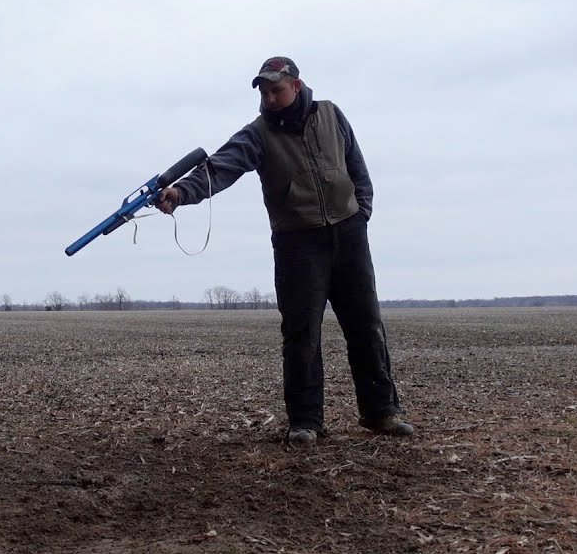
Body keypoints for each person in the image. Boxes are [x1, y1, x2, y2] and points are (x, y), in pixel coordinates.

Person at [156, 56, 413, 446]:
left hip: (348, 233)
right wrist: (180, 193)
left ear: (296, 85)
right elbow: (219, 167)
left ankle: (381, 413)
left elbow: (356, 165)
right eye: (264, 91)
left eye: (277, 89)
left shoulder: (331, 114)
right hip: (297, 242)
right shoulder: (257, 134)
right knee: (301, 334)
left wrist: (362, 211)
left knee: (366, 327)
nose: (270, 98)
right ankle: (306, 422)